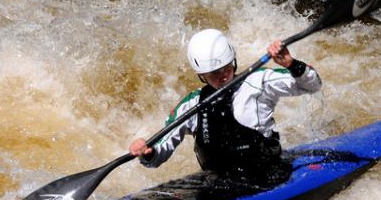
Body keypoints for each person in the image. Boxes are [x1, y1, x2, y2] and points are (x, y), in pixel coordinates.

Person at [129, 28, 322, 188]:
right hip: (220, 184)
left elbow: (312, 85)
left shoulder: (259, 80)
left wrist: (291, 64)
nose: (223, 76)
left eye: (226, 68)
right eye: (214, 73)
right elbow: (159, 153)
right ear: (201, 75)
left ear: (233, 62)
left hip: (268, 175)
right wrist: (148, 152)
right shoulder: (192, 104)